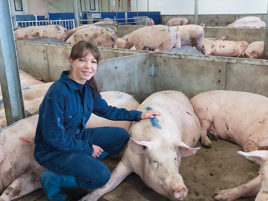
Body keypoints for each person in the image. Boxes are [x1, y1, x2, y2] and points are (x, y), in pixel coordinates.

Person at [34, 40, 161, 201]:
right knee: (101, 176)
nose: (88, 66)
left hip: (75, 137)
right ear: (71, 61)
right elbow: (55, 138)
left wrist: (138, 115)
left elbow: (107, 110)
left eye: (93, 61)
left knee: (121, 135)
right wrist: (88, 148)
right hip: (52, 150)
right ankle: (52, 179)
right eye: (82, 60)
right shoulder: (58, 92)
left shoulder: (87, 87)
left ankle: (84, 162)